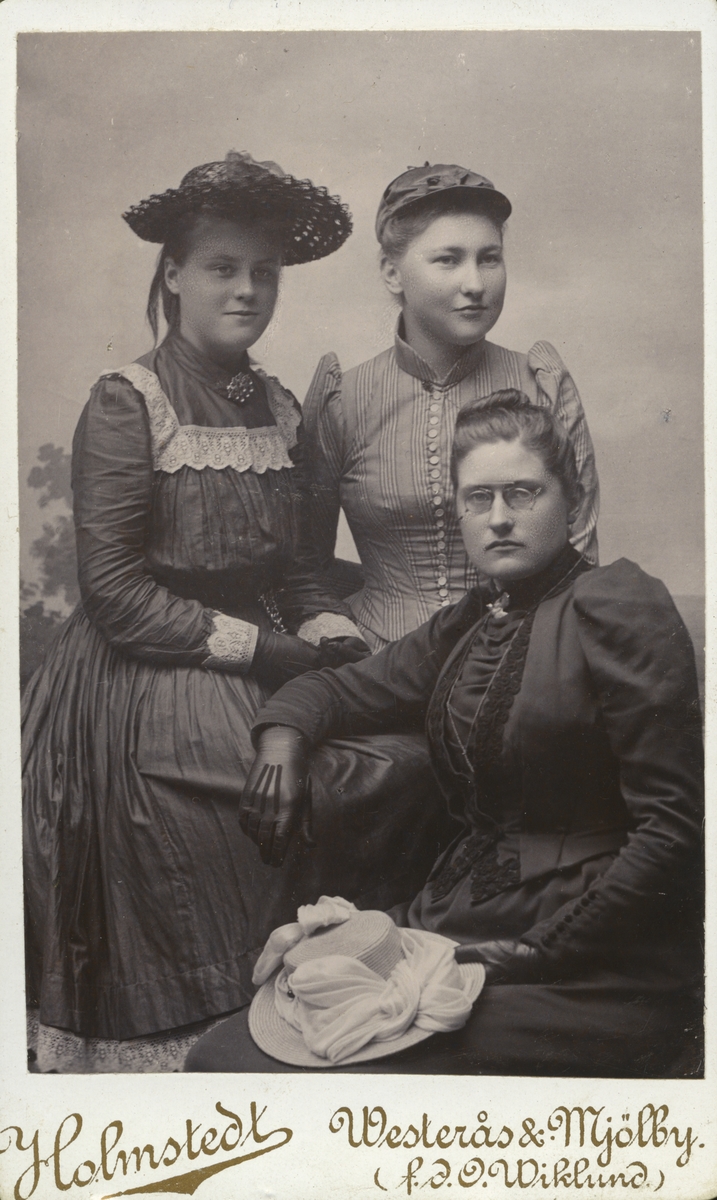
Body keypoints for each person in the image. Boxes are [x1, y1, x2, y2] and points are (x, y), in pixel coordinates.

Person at [22, 151, 443, 1073]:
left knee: (404, 759)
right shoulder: (128, 400)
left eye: (264, 272)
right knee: (291, 793)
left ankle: (338, 996)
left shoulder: (277, 404)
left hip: (264, 648)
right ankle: (233, 1028)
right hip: (145, 670)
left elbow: (297, 567)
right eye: (222, 268)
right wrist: (267, 653)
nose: (247, 290)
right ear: (173, 273)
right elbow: (115, 590)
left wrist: (333, 637)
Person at [186, 391, 703, 1077]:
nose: (498, 518)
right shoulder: (474, 619)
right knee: (235, 1045)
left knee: (271, 1068)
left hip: (593, 957)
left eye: (523, 493)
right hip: (454, 922)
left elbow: (672, 829)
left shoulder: (617, 603)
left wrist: (534, 953)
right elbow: (336, 689)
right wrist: (282, 735)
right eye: (477, 498)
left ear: (571, 499)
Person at [304, 162, 600, 651]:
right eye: (448, 260)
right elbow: (306, 566)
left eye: (489, 258)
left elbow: (579, 560)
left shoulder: (541, 386)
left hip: (518, 661)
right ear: (392, 272)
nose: (476, 283)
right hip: (375, 658)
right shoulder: (343, 399)